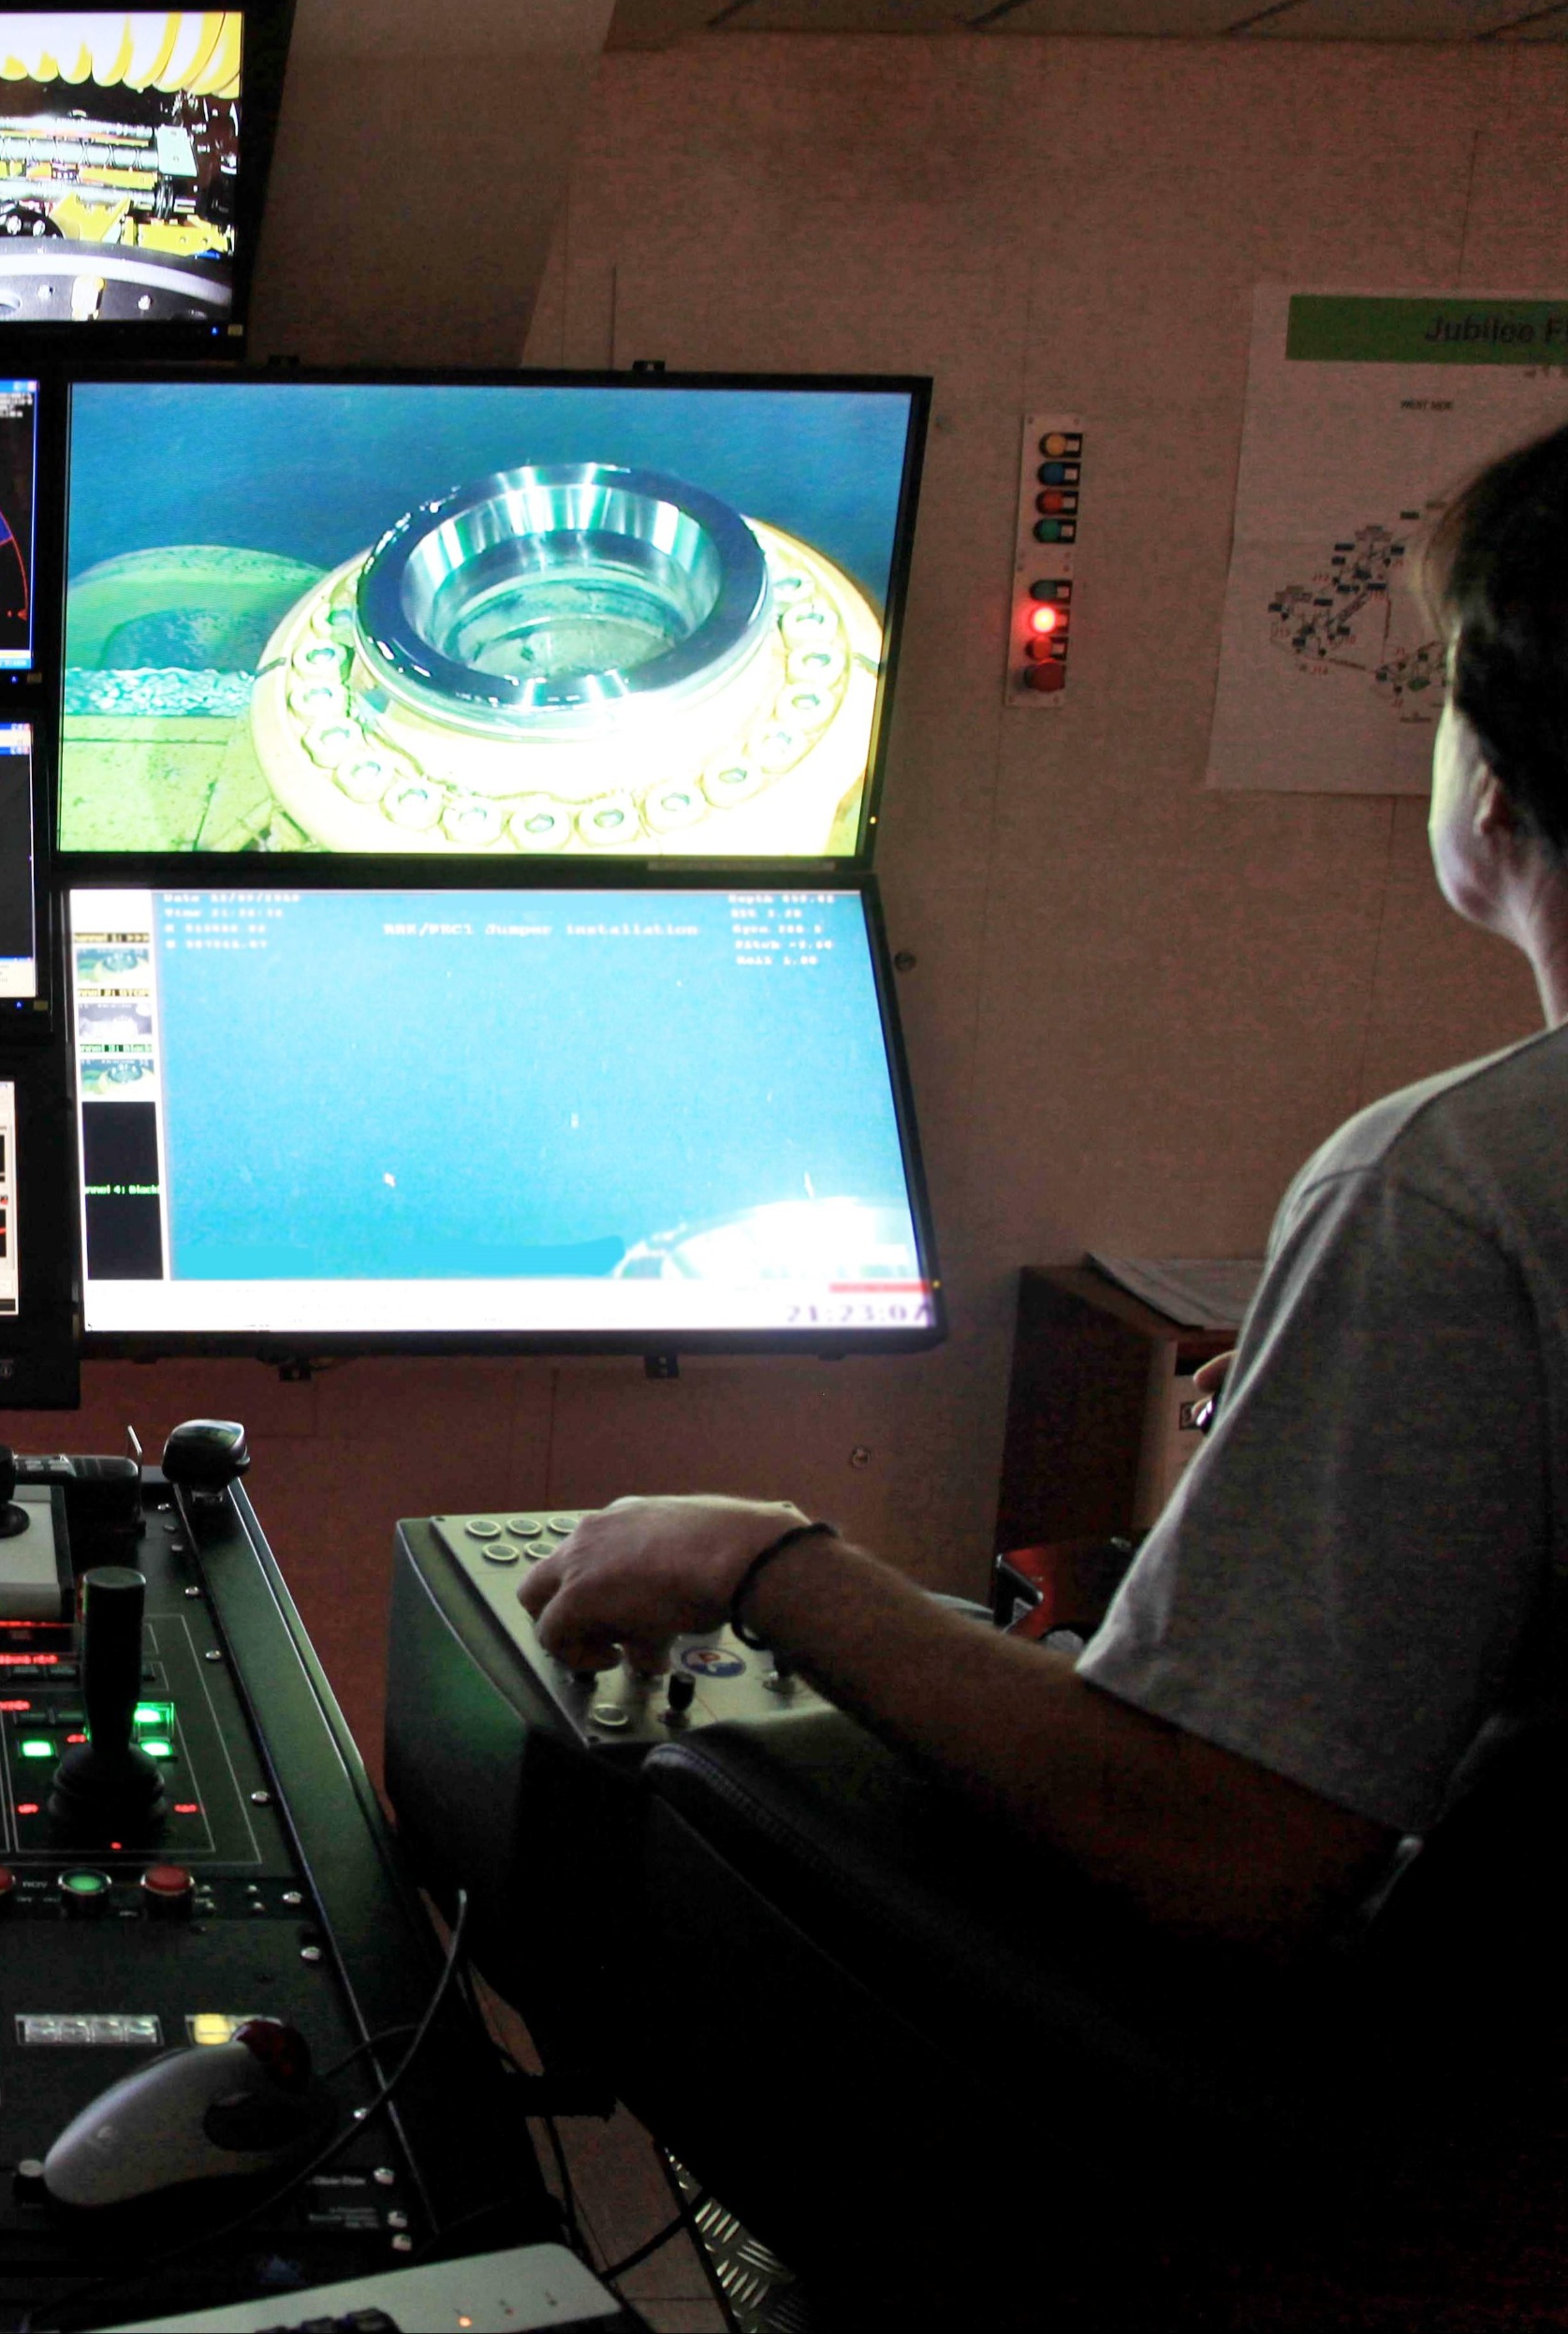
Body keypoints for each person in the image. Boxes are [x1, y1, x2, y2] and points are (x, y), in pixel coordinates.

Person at [521, 427, 1568, 2310]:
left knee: (693, 1781)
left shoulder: (1463, 1184)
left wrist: (763, 1557)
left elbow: (1225, 1850)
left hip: (1438, 2162)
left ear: (1489, 782)